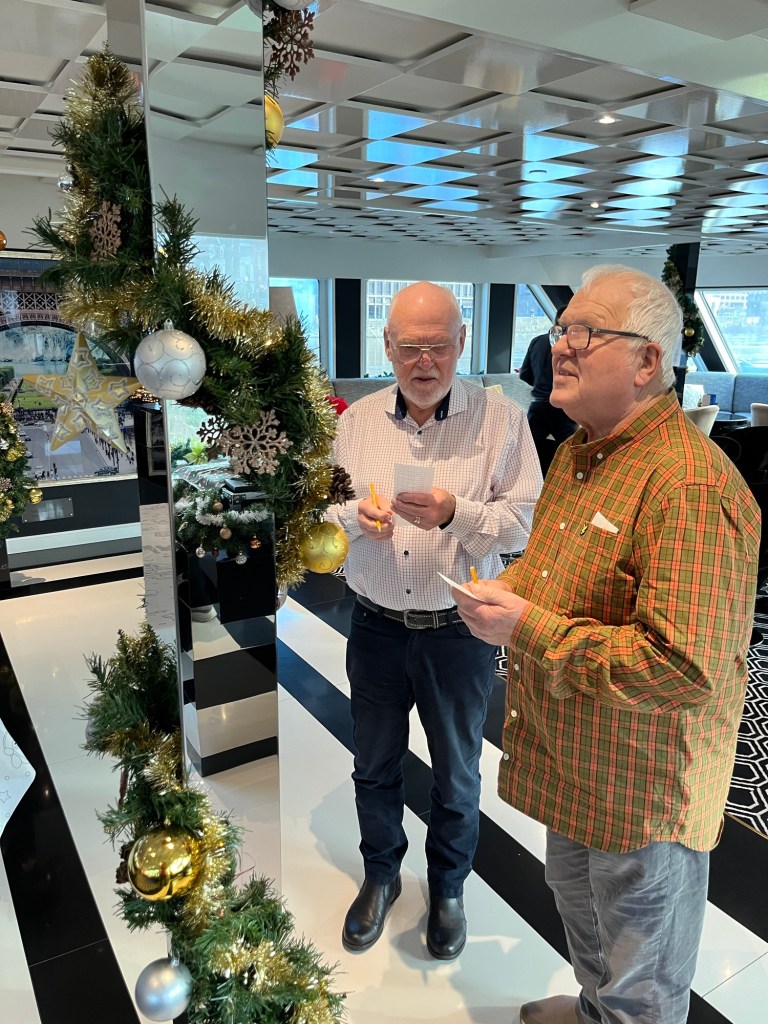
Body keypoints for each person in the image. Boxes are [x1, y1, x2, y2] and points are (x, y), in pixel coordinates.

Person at [452, 265, 760, 1024]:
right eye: (562, 329)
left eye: (586, 333)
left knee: (642, 973)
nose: (561, 346)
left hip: (643, 787)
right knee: (580, 908)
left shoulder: (688, 487)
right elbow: (556, 574)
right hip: (576, 757)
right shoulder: (577, 454)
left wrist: (526, 627)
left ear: (648, 360)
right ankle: (595, 1009)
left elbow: (682, 667)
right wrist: (509, 590)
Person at [325, 281, 541, 960]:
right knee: (373, 764)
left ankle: (448, 887)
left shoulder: (502, 421)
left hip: (459, 631)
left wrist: (456, 513)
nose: (425, 362)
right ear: (387, 346)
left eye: (439, 347)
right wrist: (351, 518)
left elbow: (524, 524)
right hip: (375, 626)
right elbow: (320, 510)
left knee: (457, 773)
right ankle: (381, 875)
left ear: (462, 343)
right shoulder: (356, 422)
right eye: (411, 347)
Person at [519, 305, 577, 475]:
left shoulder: (537, 342)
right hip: (562, 409)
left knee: (526, 454)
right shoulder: (572, 347)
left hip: (537, 406)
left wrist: (540, 384)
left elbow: (524, 374)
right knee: (573, 455)